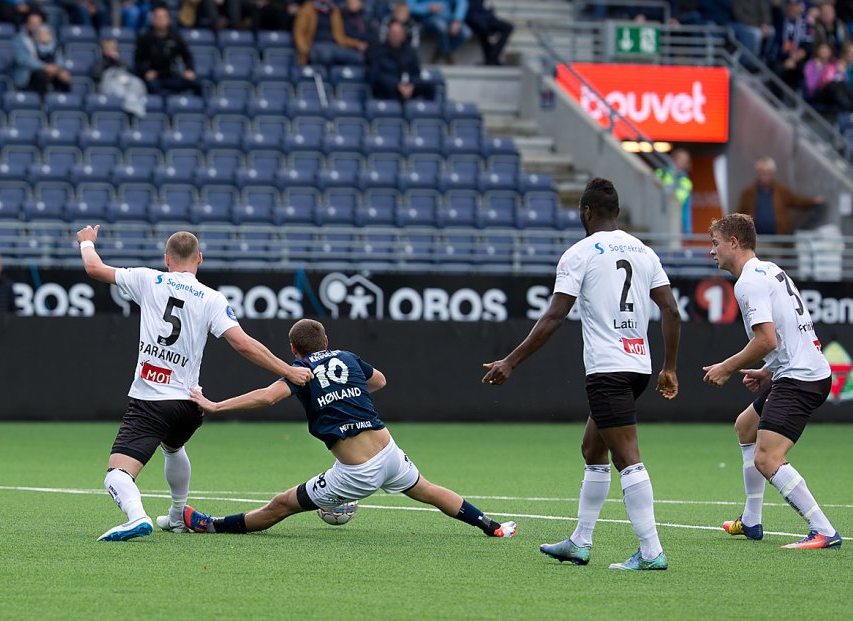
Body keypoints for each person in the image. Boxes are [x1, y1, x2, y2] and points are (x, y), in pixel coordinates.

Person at [482, 177, 681, 571]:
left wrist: (511, 361)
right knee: (594, 449)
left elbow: (555, 315)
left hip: (607, 368)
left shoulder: (579, 253)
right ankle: (580, 541)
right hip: (638, 366)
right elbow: (672, 311)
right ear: (618, 213)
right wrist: (669, 367)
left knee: (628, 459)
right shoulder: (644, 251)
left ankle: (651, 550)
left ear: (585, 212)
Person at [74, 226, 313, 541]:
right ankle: (176, 515)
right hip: (189, 403)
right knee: (173, 447)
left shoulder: (148, 279)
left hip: (151, 399)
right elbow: (243, 344)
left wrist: (87, 242)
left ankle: (137, 517)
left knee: (117, 474)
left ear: (167, 259)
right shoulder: (212, 298)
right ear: (199, 258)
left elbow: (94, 268)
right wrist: (289, 369)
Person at [182, 319, 519, 541]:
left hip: (357, 473)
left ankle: (211, 525)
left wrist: (215, 405)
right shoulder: (347, 357)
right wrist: (348, 394)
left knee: (281, 504)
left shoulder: (300, 370)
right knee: (428, 490)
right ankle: (491, 526)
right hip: (389, 454)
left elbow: (268, 397)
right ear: (326, 340)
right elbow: (381, 381)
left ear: (293, 351)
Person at [703, 214, 841, 549]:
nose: (712, 252)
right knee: (745, 427)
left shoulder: (748, 282)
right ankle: (751, 521)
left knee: (767, 459)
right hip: (802, 370)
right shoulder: (770, 270)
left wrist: (725, 366)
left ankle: (823, 530)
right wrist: (767, 371)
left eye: (715, 244)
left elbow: (766, 340)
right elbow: (787, 331)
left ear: (734, 242)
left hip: (801, 378)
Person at [736, 157, 825, 236]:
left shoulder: (781, 191)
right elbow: (740, 215)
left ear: (772, 173)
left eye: (768, 172)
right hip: (756, 240)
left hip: (777, 239)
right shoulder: (748, 193)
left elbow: (797, 201)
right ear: (758, 173)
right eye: (762, 172)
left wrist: (812, 201)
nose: (765, 175)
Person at [135, 5, 202, 96]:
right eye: (157, 17)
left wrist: (189, 69)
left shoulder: (176, 38)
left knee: (197, 84)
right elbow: (138, 60)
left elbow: (187, 56)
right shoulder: (145, 39)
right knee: (152, 87)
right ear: (152, 20)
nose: (160, 20)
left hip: (171, 75)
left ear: (168, 19)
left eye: (163, 17)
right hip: (155, 77)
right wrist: (146, 72)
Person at [370, 21, 436, 101]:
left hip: (409, 86)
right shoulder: (379, 52)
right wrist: (396, 85)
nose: (395, 36)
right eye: (393, 33)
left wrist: (412, 85)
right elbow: (376, 75)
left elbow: (416, 72)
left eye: (397, 33)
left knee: (430, 87)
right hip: (388, 88)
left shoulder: (410, 52)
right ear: (388, 34)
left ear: (403, 35)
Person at [293, 0, 368, 66]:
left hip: (335, 45)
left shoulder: (334, 10)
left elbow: (341, 37)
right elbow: (299, 34)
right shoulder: (307, 9)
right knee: (326, 55)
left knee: (357, 58)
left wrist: (356, 44)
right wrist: (305, 51)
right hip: (316, 44)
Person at [13, 14, 73, 96]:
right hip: (30, 74)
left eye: (38, 23)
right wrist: (45, 67)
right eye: (32, 23)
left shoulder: (50, 40)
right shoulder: (20, 39)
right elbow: (23, 60)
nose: (35, 26)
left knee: (64, 76)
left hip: (51, 71)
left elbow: (59, 58)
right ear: (26, 24)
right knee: (40, 75)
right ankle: (43, 104)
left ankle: (65, 103)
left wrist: (56, 69)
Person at [767, 0, 812, 91]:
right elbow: (776, 6)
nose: (793, 8)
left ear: (799, 7)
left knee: (804, 69)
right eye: (790, 5)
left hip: (796, 59)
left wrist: (793, 59)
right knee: (777, 68)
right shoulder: (780, 19)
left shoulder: (805, 24)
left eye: (795, 5)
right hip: (779, 57)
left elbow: (807, 45)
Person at [408, 0, 469, 64]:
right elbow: (409, 6)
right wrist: (427, 8)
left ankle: (440, 52)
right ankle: (447, 54)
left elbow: (462, 2)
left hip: (448, 18)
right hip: (427, 18)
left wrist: (457, 20)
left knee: (466, 32)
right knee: (441, 26)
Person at [803, 42, 853, 109]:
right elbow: (811, 86)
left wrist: (842, 72)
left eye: (826, 49)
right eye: (822, 48)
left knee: (839, 83)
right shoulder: (811, 64)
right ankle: (849, 108)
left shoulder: (836, 64)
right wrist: (818, 70)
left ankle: (849, 106)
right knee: (834, 84)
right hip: (817, 94)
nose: (824, 51)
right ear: (817, 51)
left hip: (833, 96)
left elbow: (844, 83)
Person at [656, 148, 694, 236]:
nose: (683, 163)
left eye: (685, 161)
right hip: (660, 214)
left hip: (676, 220)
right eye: (680, 159)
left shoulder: (685, 180)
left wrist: (687, 230)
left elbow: (683, 204)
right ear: (673, 159)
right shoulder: (662, 172)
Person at [464, 0, 513, 66]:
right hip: (475, 21)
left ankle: (493, 56)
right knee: (482, 29)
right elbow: (469, 12)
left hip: (488, 20)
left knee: (508, 27)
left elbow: (489, 10)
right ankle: (491, 58)